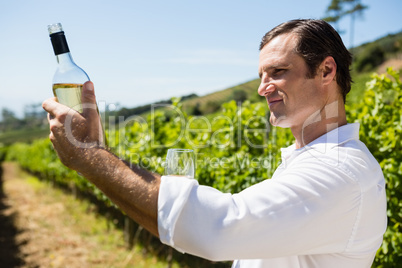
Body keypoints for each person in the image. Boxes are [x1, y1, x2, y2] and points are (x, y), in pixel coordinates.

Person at [42, 19, 387, 268]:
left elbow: (220, 228)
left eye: (278, 72)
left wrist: (91, 157)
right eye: (261, 76)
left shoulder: (339, 171)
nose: (262, 88)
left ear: (327, 71)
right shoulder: (311, 159)